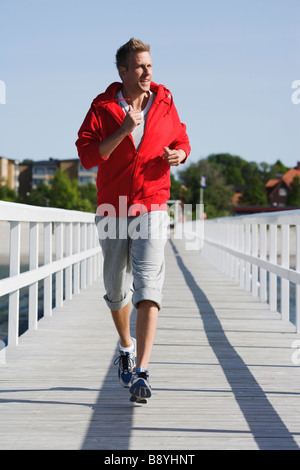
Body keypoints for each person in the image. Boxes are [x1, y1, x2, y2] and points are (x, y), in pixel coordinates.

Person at [76, 38, 190, 403]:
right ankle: (125, 348)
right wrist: (124, 128)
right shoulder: (102, 106)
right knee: (115, 287)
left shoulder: (166, 101)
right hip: (112, 206)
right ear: (122, 71)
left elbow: (182, 137)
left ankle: (141, 370)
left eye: (150, 66)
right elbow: (89, 156)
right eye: (140, 66)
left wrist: (180, 154)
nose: (147, 72)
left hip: (153, 203)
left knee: (148, 286)